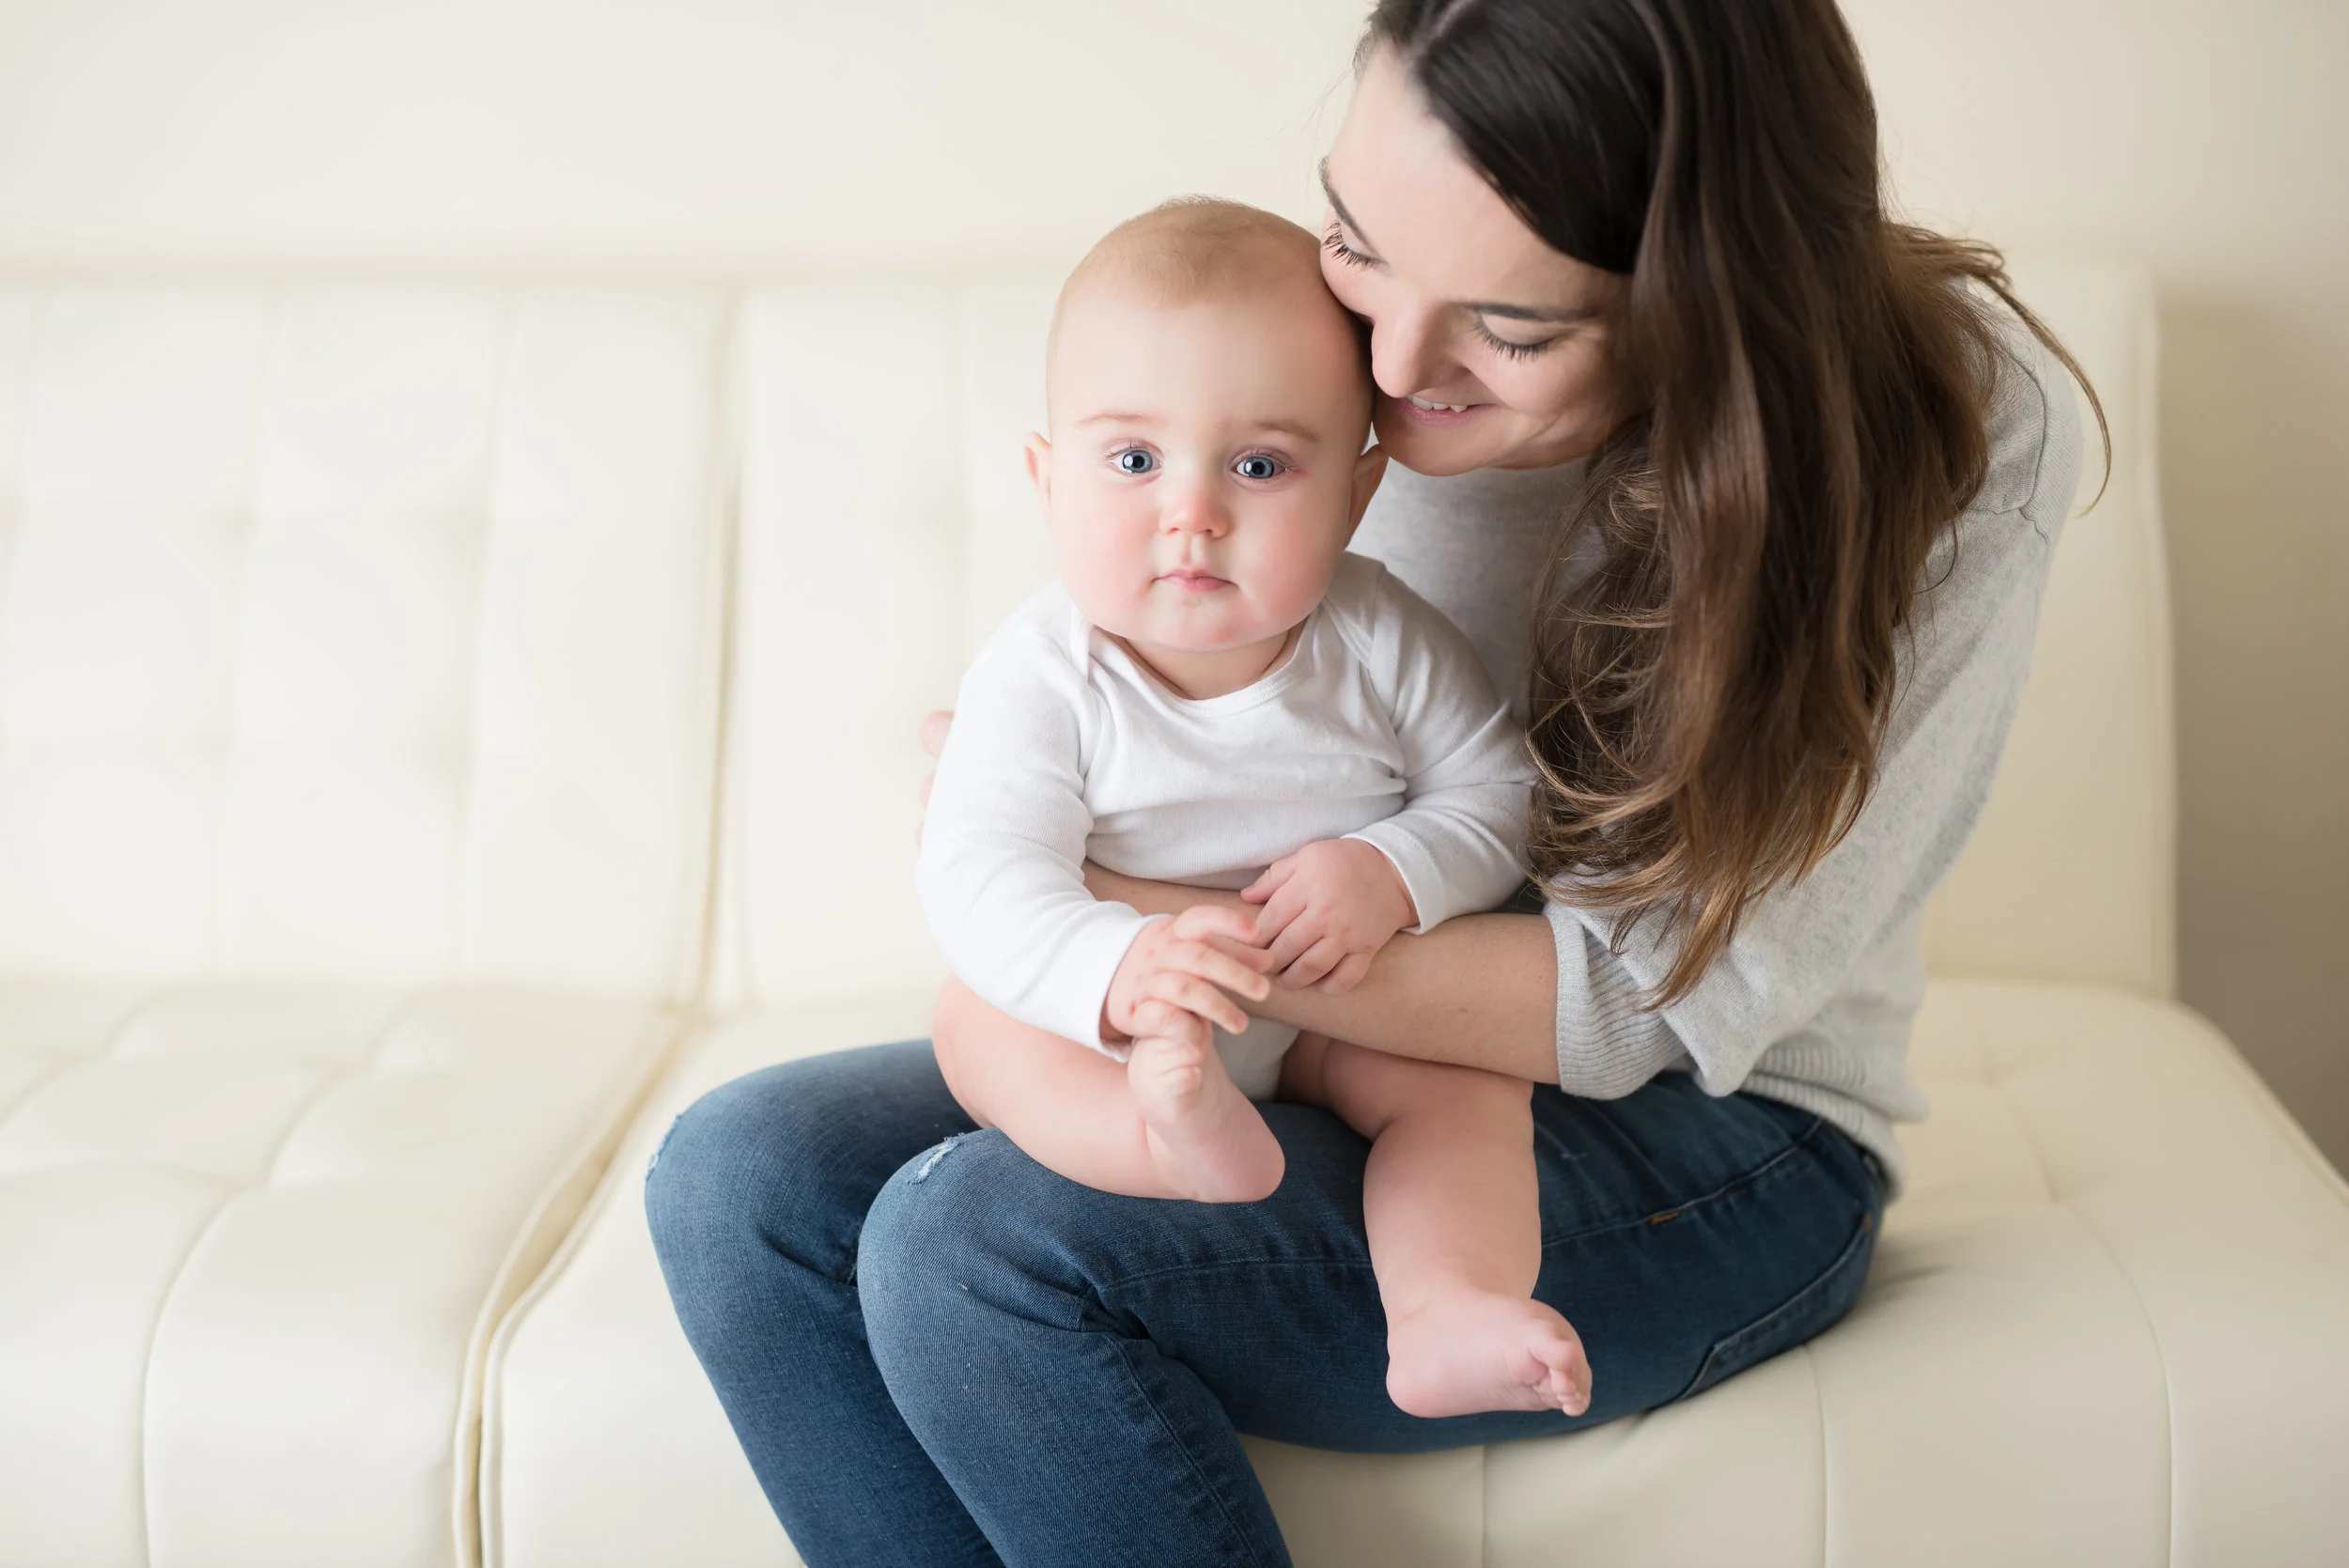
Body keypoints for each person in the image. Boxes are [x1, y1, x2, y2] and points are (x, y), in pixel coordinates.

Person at [646, 1, 2102, 1562]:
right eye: (1359, 240)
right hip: (1289, 1021)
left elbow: (1636, 1006)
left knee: (976, 1246)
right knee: (743, 1182)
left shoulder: (1950, 431)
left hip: (1713, 1126)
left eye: (1514, 330)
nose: (1393, 374)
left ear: (1709, 308)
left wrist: (1128, 909)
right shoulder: (1309, 357)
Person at [917, 196, 1585, 1419]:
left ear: (1357, 494)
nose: (1193, 512)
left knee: (1466, 1097)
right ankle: (1169, 1143)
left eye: (1262, 465)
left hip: (1350, 1015)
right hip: (1127, 1028)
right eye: (1131, 461)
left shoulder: (1381, 637)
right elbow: (978, 871)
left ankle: (1448, 1305)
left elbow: (1498, 797)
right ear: (1047, 479)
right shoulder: (1041, 674)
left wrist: (1394, 870)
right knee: (977, 1023)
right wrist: (1117, 969)